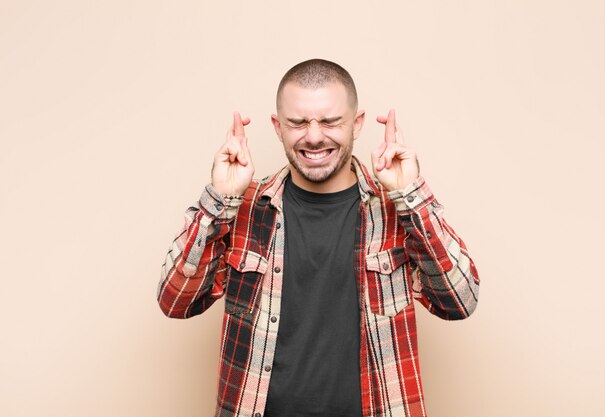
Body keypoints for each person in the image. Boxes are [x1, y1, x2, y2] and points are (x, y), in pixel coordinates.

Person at [157, 58, 480, 417]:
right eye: (298, 122)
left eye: (330, 121)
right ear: (278, 128)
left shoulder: (395, 211)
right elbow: (175, 302)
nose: (313, 136)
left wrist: (410, 195)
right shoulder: (243, 208)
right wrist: (219, 200)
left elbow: (461, 300)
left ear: (356, 124)